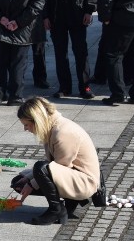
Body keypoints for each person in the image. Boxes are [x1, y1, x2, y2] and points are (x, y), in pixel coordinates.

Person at [12, 96, 101, 224]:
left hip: (86, 182)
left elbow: (58, 167)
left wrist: (32, 184)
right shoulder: (51, 127)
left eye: (26, 124)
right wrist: (27, 179)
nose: (25, 129)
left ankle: (56, 210)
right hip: (74, 175)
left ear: (37, 120)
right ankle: (70, 202)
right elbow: (54, 165)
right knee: (18, 182)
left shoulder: (63, 132)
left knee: (40, 168)